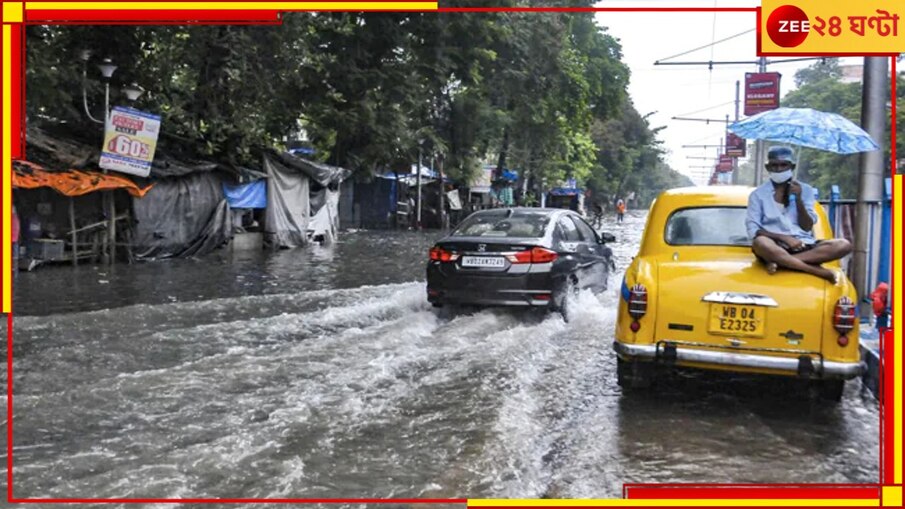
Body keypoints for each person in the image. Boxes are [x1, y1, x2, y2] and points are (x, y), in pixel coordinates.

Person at [746, 146, 852, 283]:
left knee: (843, 244)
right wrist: (784, 238)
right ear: (768, 167)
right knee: (760, 242)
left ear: (792, 167)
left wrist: (798, 199)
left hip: (803, 245)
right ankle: (814, 270)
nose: (778, 169)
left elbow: (807, 226)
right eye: (774, 165)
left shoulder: (805, 190)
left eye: (783, 165)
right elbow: (753, 230)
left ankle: (781, 263)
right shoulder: (758, 195)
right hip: (773, 247)